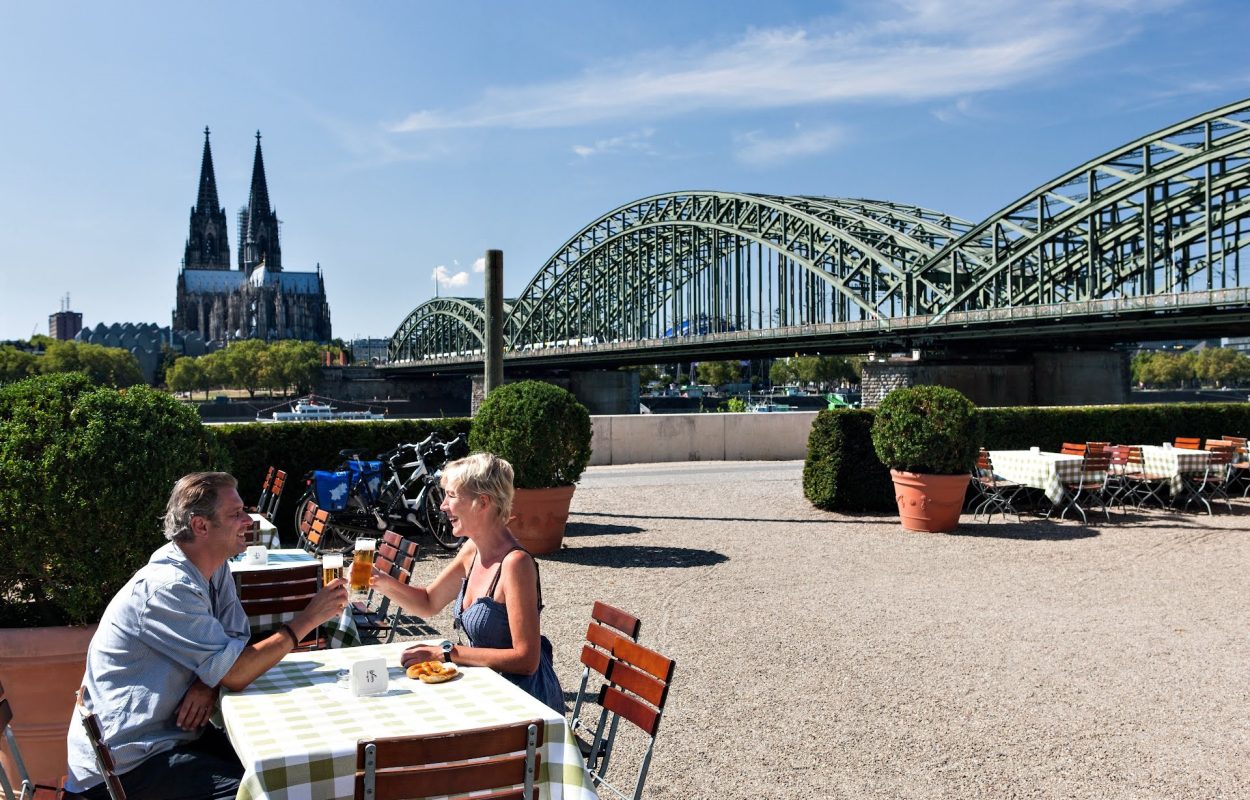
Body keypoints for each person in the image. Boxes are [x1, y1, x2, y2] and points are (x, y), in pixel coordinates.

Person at [64, 472, 349, 800]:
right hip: (127, 764)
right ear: (201, 526)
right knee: (271, 791)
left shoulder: (214, 568)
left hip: (168, 736)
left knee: (277, 771)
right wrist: (309, 619)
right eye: (236, 514)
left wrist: (208, 682)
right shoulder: (169, 587)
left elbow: (235, 644)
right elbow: (238, 672)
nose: (248, 521)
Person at [369, 453, 564, 712]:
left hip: (524, 704)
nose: (442, 506)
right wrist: (380, 581)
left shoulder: (516, 564)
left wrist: (446, 653)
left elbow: (526, 659)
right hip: (491, 688)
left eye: (451, 495)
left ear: (482, 502)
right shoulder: (472, 550)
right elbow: (428, 602)